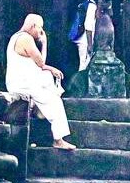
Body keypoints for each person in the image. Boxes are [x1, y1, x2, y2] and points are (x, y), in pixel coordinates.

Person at [5, 14, 76, 150]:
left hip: (20, 82)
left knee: (48, 78)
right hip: (23, 84)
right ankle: (58, 140)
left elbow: (39, 66)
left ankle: (40, 114)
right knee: (55, 102)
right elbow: (40, 62)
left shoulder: (15, 37)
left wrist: (50, 69)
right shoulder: (26, 38)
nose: (41, 32)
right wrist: (44, 43)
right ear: (33, 26)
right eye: (40, 28)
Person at [69, 0, 100, 72]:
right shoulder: (92, 7)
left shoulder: (85, 4)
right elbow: (88, 26)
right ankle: (81, 84)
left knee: (83, 63)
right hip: (85, 40)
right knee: (84, 64)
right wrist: (90, 44)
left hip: (82, 39)